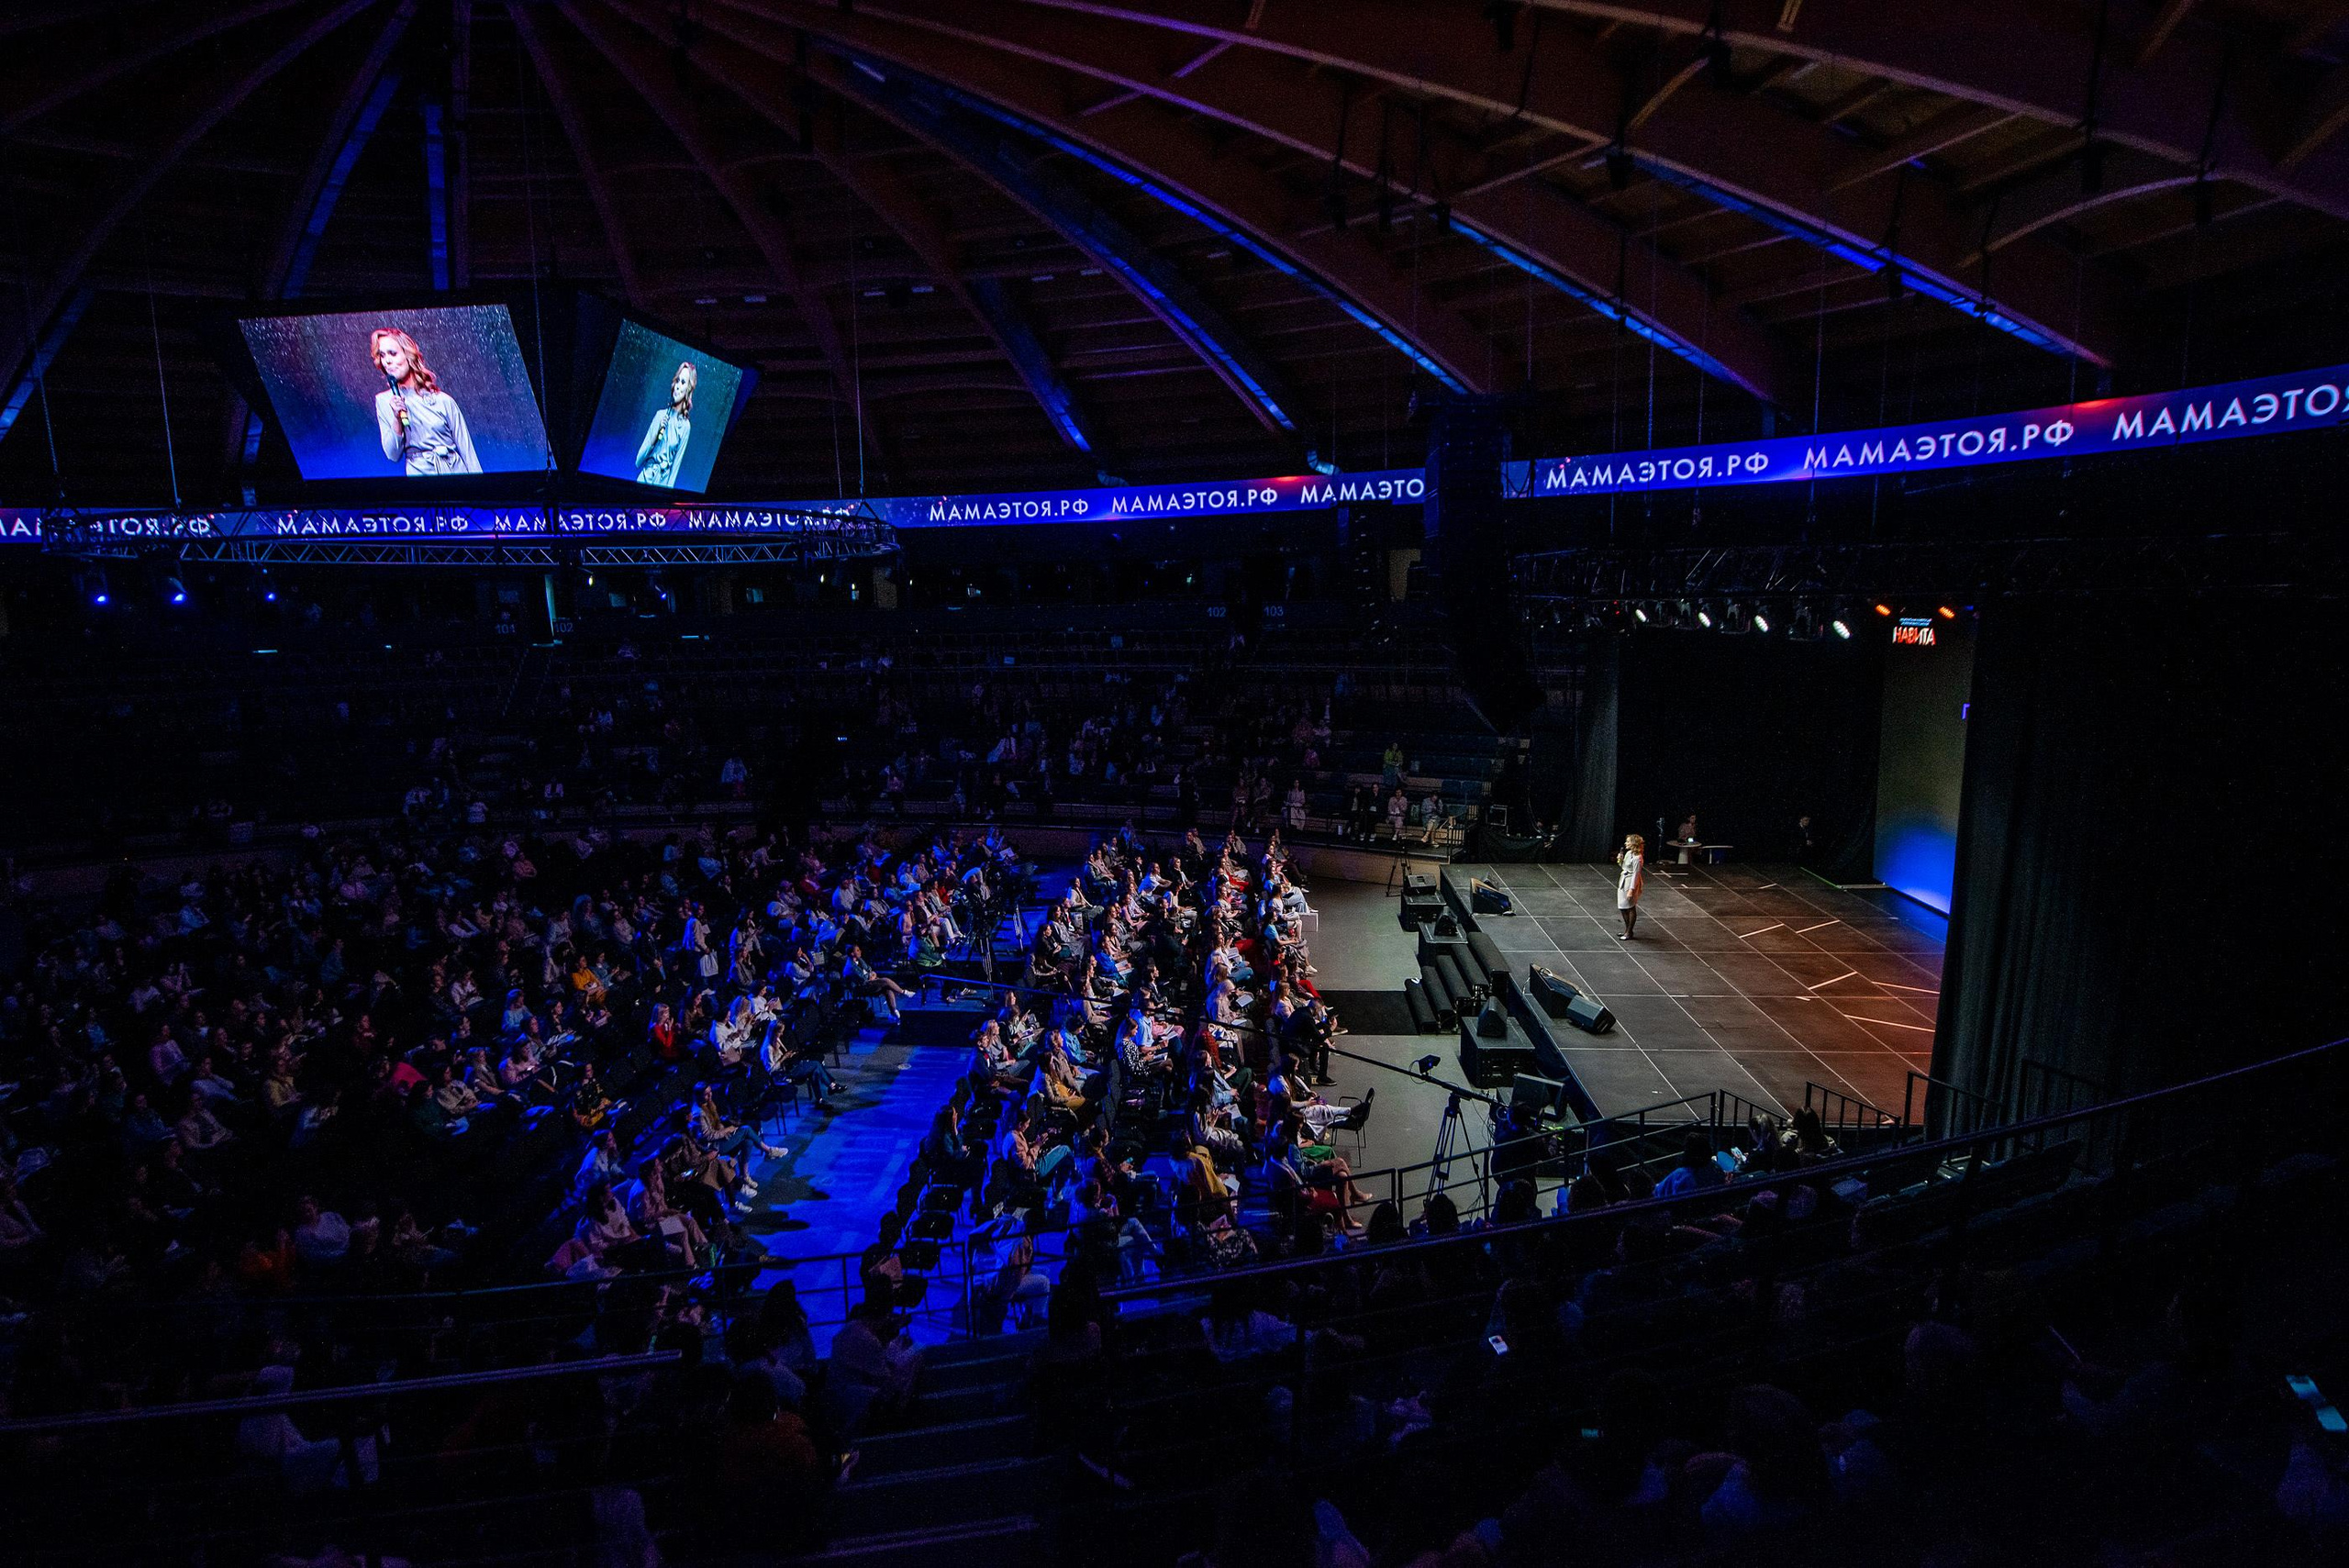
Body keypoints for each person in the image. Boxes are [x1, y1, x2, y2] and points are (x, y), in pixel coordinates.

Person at [370, 327, 481, 476]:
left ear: (407, 355)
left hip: (455, 471)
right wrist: (397, 418)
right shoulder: (384, 401)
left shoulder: (443, 400)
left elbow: (468, 452)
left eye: (393, 353)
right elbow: (392, 454)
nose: (387, 361)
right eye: (382, 356)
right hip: (420, 475)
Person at [634, 361, 697, 487]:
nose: (678, 386)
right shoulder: (660, 415)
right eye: (677, 381)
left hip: (662, 486)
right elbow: (638, 461)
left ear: (688, 389)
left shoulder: (685, 427)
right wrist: (654, 438)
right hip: (644, 481)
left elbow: (675, 469)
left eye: (683, 382)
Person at [1615, 831, 1646, 940]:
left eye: (1628, 842)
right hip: (1624, 879)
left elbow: (1636, 875)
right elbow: (1624, 866)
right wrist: (1620, 859)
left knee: (1630, 906)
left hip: (1630, 882)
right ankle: (1628, 929)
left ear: (1633, 843)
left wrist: (1631, 890)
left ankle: (1629, 931)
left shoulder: (1638, 858)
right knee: (1622, 906)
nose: (1625, 843)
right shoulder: (1629, 854)